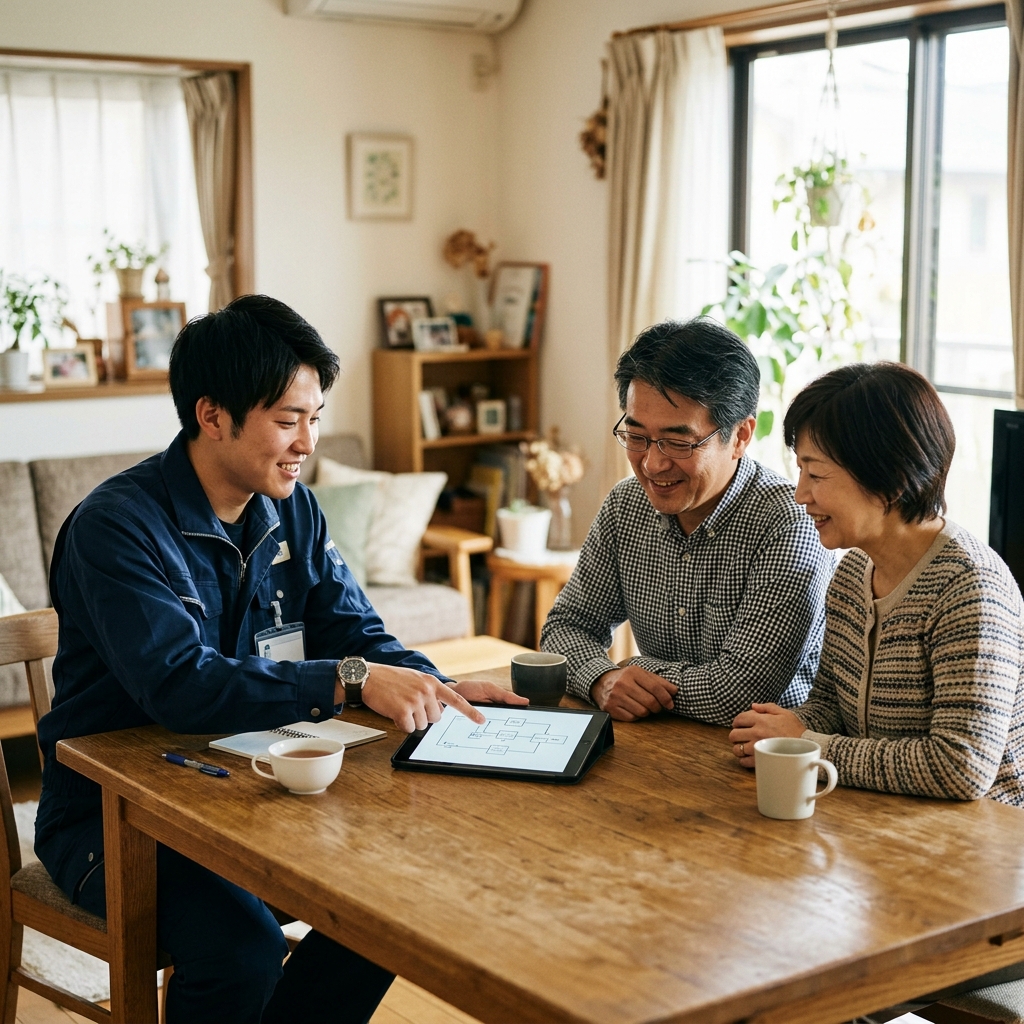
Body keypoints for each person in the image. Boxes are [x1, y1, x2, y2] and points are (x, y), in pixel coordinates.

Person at [34, 294, 526, 1024]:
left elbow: (354, 631)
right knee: (241, 949)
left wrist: (433, 685)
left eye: (316, 418)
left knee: (393, 901)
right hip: (115, 819)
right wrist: (352, 682)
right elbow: (181, 685)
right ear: (212, 415)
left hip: (250, 790)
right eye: (289, 420)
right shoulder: (116, 526)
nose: (308, 442)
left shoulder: (293, 506)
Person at [728, 362, 1024, 805]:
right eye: (800, 470)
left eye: (816, 474)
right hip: (875, 816)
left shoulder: (970, 588)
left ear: (890, 477)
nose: (800, 494)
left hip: (974, 836)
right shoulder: (852, 574)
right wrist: (780, 731)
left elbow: (960, 767)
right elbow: (830, 704)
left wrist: (809, 745)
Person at [539, 318, 835, 725]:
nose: (652, 463)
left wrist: (632, 670)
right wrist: (602, 678)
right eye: (637, 437)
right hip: (655, 740)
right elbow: (565, 627)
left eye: (678, 443)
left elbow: (739, 691)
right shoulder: (627, 505)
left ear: (741, 436)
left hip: (757, 751)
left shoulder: (787, 523)